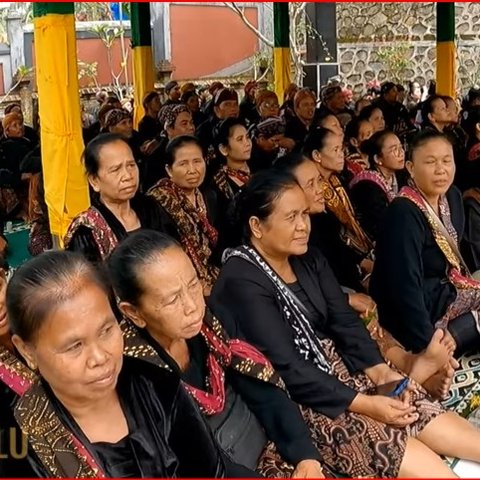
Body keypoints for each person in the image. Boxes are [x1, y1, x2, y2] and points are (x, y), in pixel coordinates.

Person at [211, 168, 480, 478]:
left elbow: (344, 323)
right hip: (303, 397)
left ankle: (409, 377)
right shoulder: (240, 281)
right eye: (291, 218)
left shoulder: (308, 257)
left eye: (304, 214)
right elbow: (289, 367)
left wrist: (382, 376)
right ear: (256, 226)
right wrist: (366, 404)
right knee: (386, 435)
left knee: (411, 405)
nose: (303, 226)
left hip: (343, 365)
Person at [108, 230, 325, 478]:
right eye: (171, 300)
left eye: (193, 284)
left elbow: (259, 385)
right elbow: (198, 461)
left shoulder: (211, 322)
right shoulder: (136, 377)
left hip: (263, 440)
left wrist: (305, 456)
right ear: (133, 312)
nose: (192, 306)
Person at [6, 250, 241, 477]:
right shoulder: (21, 441)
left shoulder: (158, 389)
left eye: (107, 330)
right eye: (74, 346)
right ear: (27, 350)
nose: (100, 357)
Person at [371, 130, 480, 390]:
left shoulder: (452, 196)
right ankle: (447, 340)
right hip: (417, 309)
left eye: (447, 160)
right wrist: (428, 345)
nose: (441, 169)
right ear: (410, 167)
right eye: (430, 162)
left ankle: (455, 335)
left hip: (446, 291)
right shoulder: (403, 212)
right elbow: (403, 288)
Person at [274, 152, 375, 317]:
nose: (320, 189)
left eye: (319, 180)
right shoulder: (289, 237)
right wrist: (345, 298)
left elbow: (342, 256)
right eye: (310, 184)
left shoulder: (323, 220)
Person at [64, 133, 169, 263]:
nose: (127, 176)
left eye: (131, 165)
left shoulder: (151, 208)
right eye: (115, 170)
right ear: (94, 181)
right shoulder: (86, 231)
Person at [303, 127, 374, 292]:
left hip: (355, 256)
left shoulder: (336, 181)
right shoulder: (312, 195)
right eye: (335, 149)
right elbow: (330, 242)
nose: (341, 154)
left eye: (341, 149)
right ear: (317, 156)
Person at [147, 136, 219, 296]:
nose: (192, 170)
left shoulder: (209, 196)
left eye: (197, 161)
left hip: (211, 277)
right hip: (177, 283)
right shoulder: (157, 202)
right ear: (169, 169)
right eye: (183, 164)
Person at [349, 131, 408, 241]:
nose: (401, 153)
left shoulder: (402, 176)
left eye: (401, 147)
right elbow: (379, 226)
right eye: (394, 149)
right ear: (377, 159)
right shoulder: (366, 186)